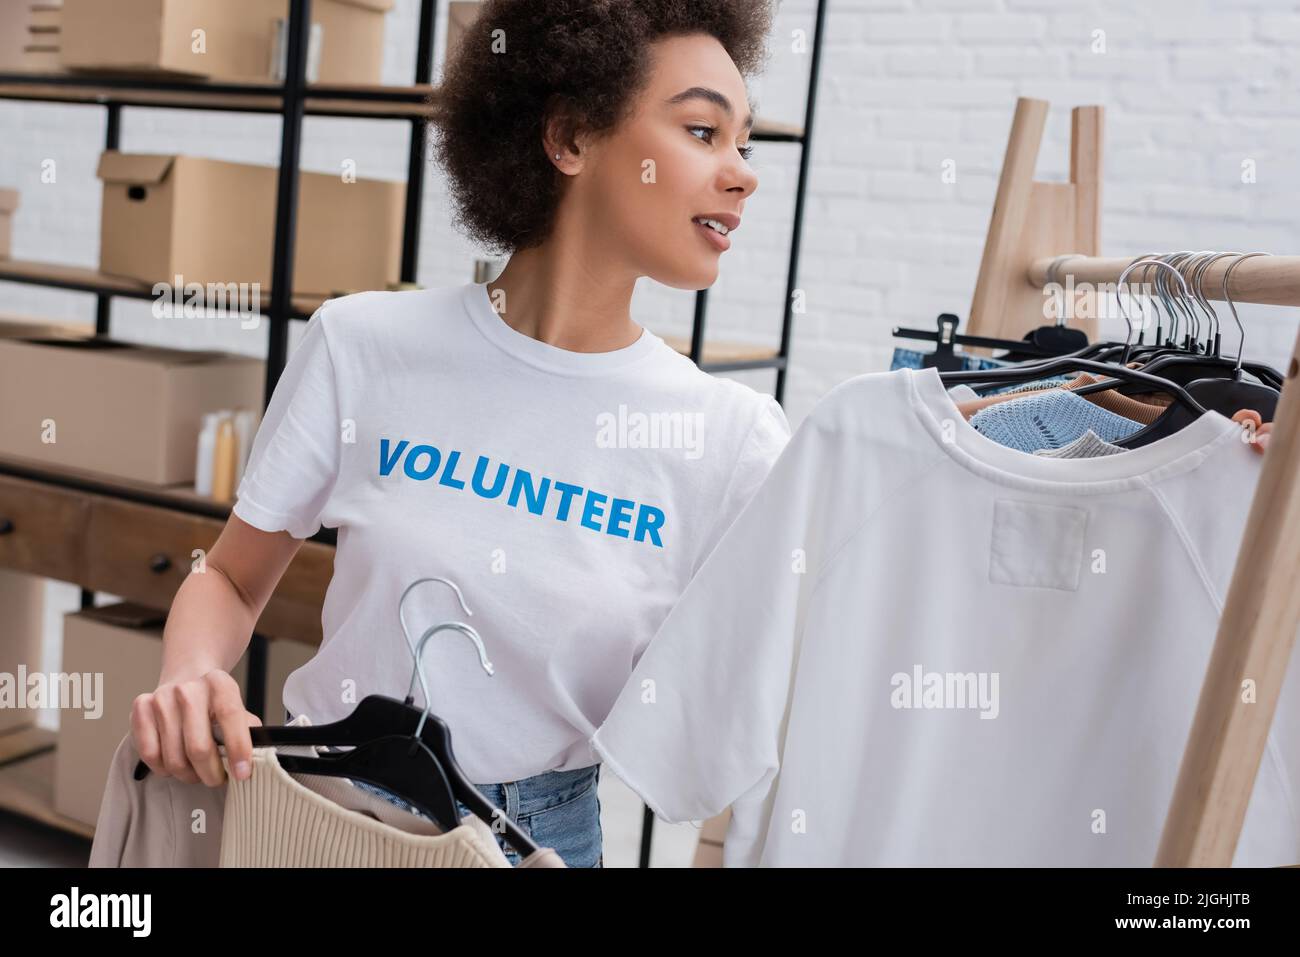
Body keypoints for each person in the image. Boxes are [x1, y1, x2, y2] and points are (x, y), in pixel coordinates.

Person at [130, 0, 789, 869]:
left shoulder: (733, 440)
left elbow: (752, 735)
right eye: (703, 130)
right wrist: (189, 673)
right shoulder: (366, 345)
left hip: (536, 841)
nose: (741, 173)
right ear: (570, 139)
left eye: (745, 142)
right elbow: (233, 581)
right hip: (319, 808)